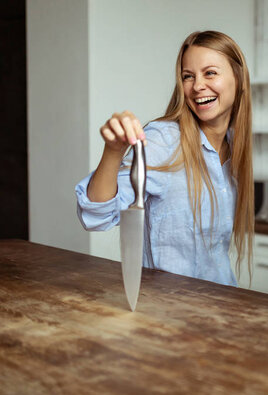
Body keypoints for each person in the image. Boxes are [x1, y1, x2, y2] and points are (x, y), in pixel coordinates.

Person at [75, 31, 254, 285]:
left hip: (222, 305)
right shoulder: (164, 140)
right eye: (187, 76)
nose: (197, 85)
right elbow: (96, 214)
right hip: (168, 311)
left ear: (239, 78)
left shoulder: (235, 145)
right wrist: (113, 151)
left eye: (210, 73)